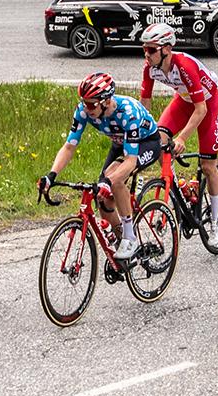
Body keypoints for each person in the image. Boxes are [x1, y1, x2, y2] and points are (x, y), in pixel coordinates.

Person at [41, 72, 162, 261]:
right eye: (83, 102)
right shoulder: (83, 111)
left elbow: (130, 160)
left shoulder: (127, 112)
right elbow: (70, 146)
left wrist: (109, 181)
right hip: (119, 144)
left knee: (114, 179)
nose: (86, 108)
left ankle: (130, 238)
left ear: (106, 101)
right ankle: (120, 236)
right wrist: (51, 175)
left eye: (91, 104)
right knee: (102, 198)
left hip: (146, 143)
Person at [136, 22, 218, 226]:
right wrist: (140, 130)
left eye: (151, 50)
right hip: (183, 101)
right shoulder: (149, 68)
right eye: (144, 49)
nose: (146, 55)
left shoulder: (183, 66)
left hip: (207, 104)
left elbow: (201, 109)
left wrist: (183, 137)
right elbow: (145, 103)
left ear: (166, 49)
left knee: (208, 166)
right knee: (158, 141)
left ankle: (216, 218)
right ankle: (176, 185)